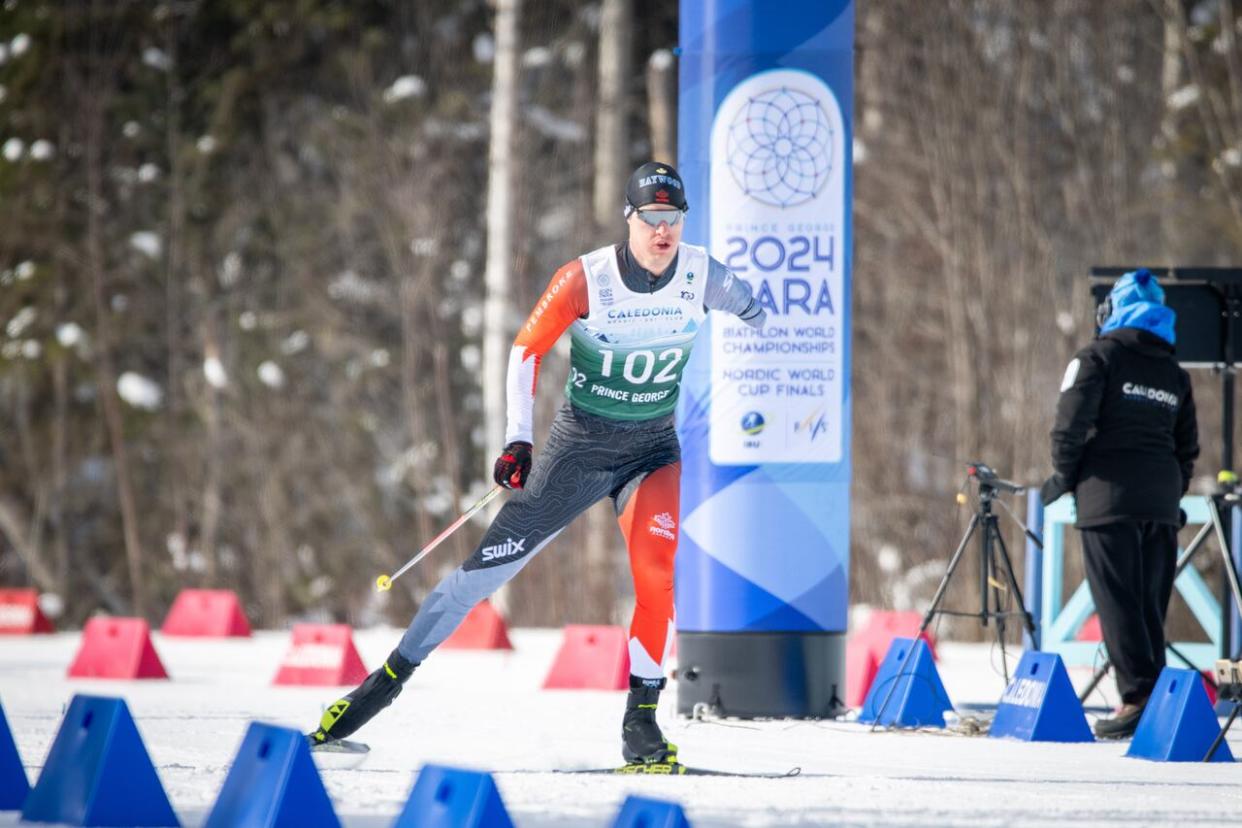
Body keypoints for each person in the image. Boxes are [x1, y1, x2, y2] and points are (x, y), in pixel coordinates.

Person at [307, 162, 766, 766]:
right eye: (651, 217)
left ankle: (642, 723)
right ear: (630, 219)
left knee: (656, 574)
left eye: (673, 218)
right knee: (481, 576)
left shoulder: (704, 273)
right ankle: (376, 690)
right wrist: (517, 440)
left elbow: (755, 313)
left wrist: (753, 349)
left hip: (652, 452)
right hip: (579, 452)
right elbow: (526, 349)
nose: (663, 230)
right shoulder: (587, 278)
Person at [1041, 268, 1198, 739]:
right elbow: (1186, 449)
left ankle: (1137, 697)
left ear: (1114, 310)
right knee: (1150, 602)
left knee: (1118, 600)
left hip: (1107, 496)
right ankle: (1155, 695)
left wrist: (1064, 480)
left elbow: (1068, 429)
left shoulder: (1097, 358)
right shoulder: (1174, 374)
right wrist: (1171, 490)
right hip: (1160, 501)